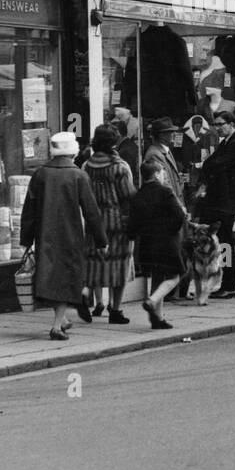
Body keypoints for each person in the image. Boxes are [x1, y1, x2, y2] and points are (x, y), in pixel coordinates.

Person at [20, 131, 105, 340]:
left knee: (51, 277)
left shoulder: (40, 174)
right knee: (66, 277)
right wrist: (101, 240)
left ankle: (64, 319)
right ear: (73, 152)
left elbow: (29, 209)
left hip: (45, 233)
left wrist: (26, 239)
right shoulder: (78, 175)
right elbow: (91, 211)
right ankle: (57, 326)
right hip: (71, 234)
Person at [81, 124, 137, 324]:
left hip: (93, 223)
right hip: (117, 223)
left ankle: (86, 294)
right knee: (119, 266)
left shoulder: (87, 166)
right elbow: (128, 196)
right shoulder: (119, 167)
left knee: (95, 264)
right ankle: (116, 309)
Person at [129, 161, 187, 330]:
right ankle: (152, 301)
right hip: (167, 242)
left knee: (157, 278)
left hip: (147, 243)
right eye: (161, 172)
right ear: (155, 174)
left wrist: (135, 236)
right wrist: (171, 232)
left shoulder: (138, 195)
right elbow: (179, 216)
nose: (163, 175)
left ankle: (157, 319)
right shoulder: (165, 192)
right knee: (175, 276)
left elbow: (133, 224)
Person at [199, 107, 235, 300]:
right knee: (220, 244)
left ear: (232, 125)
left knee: (226, 244)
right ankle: (225, 283)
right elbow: (209, 163)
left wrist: (209, 166)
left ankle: (230, 284)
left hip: (226, 203)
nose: (217, 128)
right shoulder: (226, 143)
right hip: (219, 201)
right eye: (215, 124)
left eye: (221, 124)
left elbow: (213, 164)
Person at [143, 117, 185, 204]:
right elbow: (165, 185)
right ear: (162, 135)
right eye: (170, 132)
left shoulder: (165, 150)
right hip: (169, 207)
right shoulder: (155, 154)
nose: (174, 134)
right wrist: (178, 208)